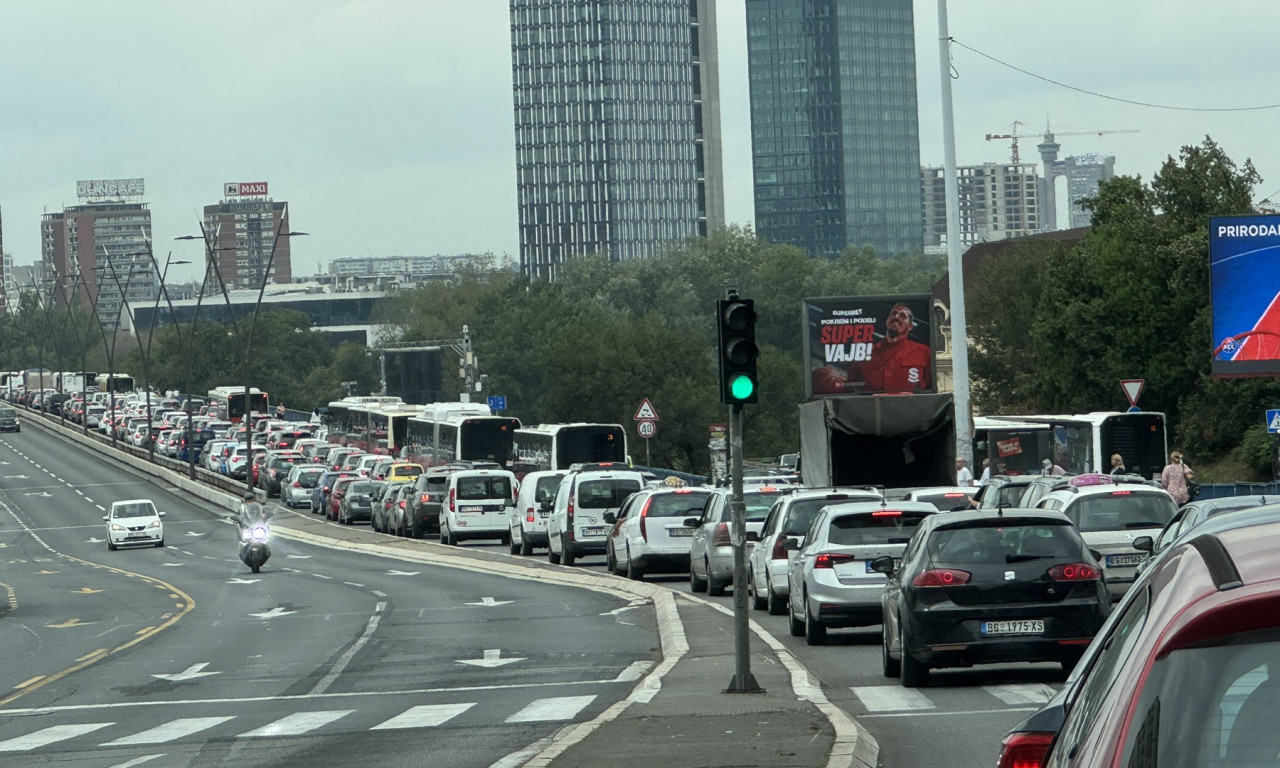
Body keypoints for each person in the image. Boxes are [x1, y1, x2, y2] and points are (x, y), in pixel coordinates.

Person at [811, 303, 933, 394]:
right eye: (893, 313)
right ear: (887, 320)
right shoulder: (866, 353)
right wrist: (832, 383)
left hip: (910, 416)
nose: (896, 317)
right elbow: (852, 388)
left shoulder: (924, 352)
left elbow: (933, 388)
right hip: (873, 417)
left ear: (910, 326)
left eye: (903, 316)